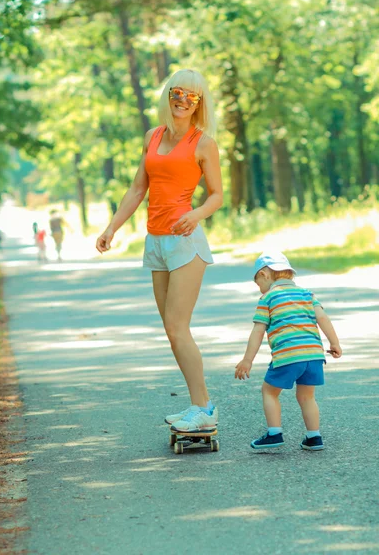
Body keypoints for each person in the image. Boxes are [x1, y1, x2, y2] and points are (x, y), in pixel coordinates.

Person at [96, 69, 223, 433]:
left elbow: (217, 195)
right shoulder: (152, 136)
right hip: (155, 241)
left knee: (179, 327)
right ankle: (198, 404)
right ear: (168, 95)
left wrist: (195, 215)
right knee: (171, 329)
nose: (183, 100)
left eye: (191, 96)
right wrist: (111, 227)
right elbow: (138, 189)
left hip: (186, 242)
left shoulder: (203, 144)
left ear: (199, 103)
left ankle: (205, 407)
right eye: (177, 93)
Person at [235, 251, 342, 451]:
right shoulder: (306, 294)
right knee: (307, 396)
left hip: (288, 355)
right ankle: (314, 437)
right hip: (314, 356)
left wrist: (247, 360)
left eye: (258, 283)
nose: (259, 289)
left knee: (269, 391)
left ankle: (274, 433)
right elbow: (323, 318)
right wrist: (334, 343)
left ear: (265, 275)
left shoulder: (268, 298)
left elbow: (258, 331)